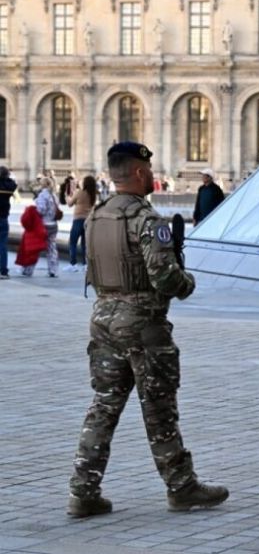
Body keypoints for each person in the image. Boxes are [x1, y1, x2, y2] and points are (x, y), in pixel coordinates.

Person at [67, 141, 228, 518]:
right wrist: (186, 282)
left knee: (103, 406)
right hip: (142, 325)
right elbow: (164, 277)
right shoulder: (148, 221)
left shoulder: (95, 216)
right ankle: (182, 486)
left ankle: (83, 489)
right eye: (149, 169)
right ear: (139, 173)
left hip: (103, 318)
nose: (152, 176)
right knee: (159, 409)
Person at [23, 177, 60, 277]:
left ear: (43, 184)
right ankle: (53, 270)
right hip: (53, 225)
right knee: (52, 248)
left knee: (34, 247)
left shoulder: (43, 195)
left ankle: (28, 270)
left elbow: (41, 210)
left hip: (43, 225)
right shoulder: (54, 195)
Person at [65, 175, 98, 271]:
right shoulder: (93, 194)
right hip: (88, 221)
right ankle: (85, 264)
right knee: (85, 243)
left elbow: (70, 203)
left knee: (73, 242)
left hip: (78, 220)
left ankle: (73, 264)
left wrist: (67, 196)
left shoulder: (80, 193)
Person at [0, 166, 18, 279]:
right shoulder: (10, 186)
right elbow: (13, 182)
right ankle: (3, 271)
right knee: (3, 245)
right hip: (3, 217)